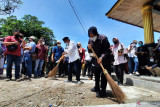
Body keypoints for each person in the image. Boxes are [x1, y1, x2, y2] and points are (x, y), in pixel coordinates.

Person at [88, 26, 113, 98]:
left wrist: (102, 57)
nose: (92, 37)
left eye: (93, 35)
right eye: (90, 36)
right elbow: (90, 51)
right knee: (96, 74)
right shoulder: (90, 40)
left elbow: (107, 50)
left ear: (96, 33)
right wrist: (89, 48)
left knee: (104, 75)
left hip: (106, 60)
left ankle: (103, 90)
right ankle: (96, 87)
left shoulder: (103, 38)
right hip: (96, 60)